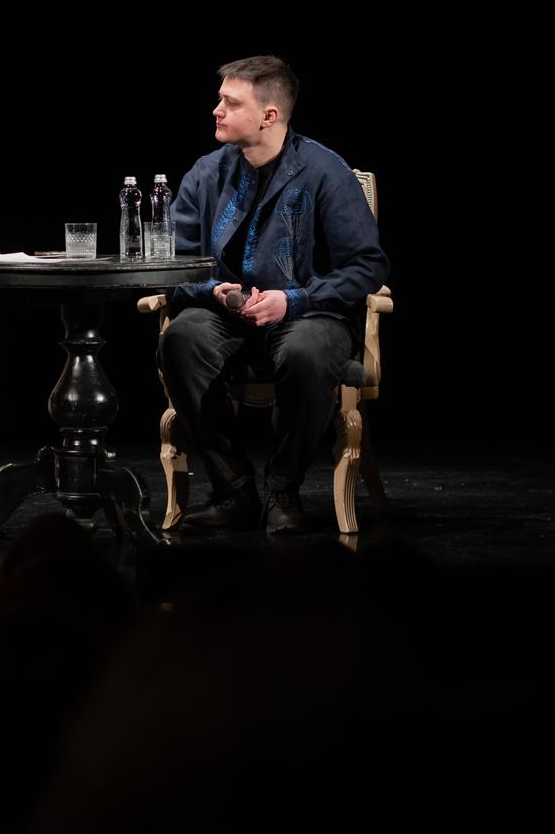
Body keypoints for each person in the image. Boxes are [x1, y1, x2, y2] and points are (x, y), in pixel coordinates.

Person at [159, 55, 388, 533]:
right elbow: (171, 260)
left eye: (230, 102)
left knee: (306, 349)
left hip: (307, 312)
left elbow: (367, 265)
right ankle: (233, 490)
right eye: (219, 99)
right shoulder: (206, 173)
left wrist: (293, 300)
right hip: (224, 313)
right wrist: (213, 291)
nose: (216, 110)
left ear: (269, 115)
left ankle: (283, 489)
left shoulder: (325, 171)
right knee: (181, 339)